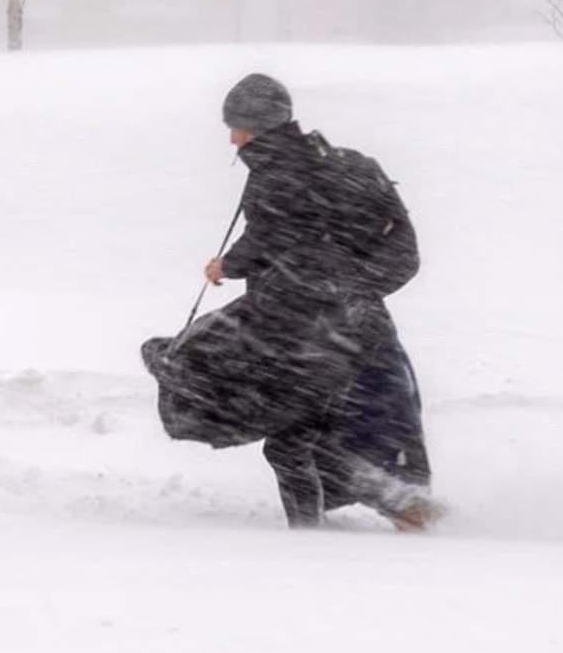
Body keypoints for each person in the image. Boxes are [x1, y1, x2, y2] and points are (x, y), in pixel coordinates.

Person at [154, 73, 434, 530]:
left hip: (300, 325)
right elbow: (366, 242)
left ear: (254, 127)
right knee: (378, 412)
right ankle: (407, 502)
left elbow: (275, 235)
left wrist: (227, 266)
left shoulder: (278, 175)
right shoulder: (340, 164)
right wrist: (351, 290)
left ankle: (310, 542)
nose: (231, 139)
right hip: (361, 320)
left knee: (292, 436)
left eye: (236, 127)